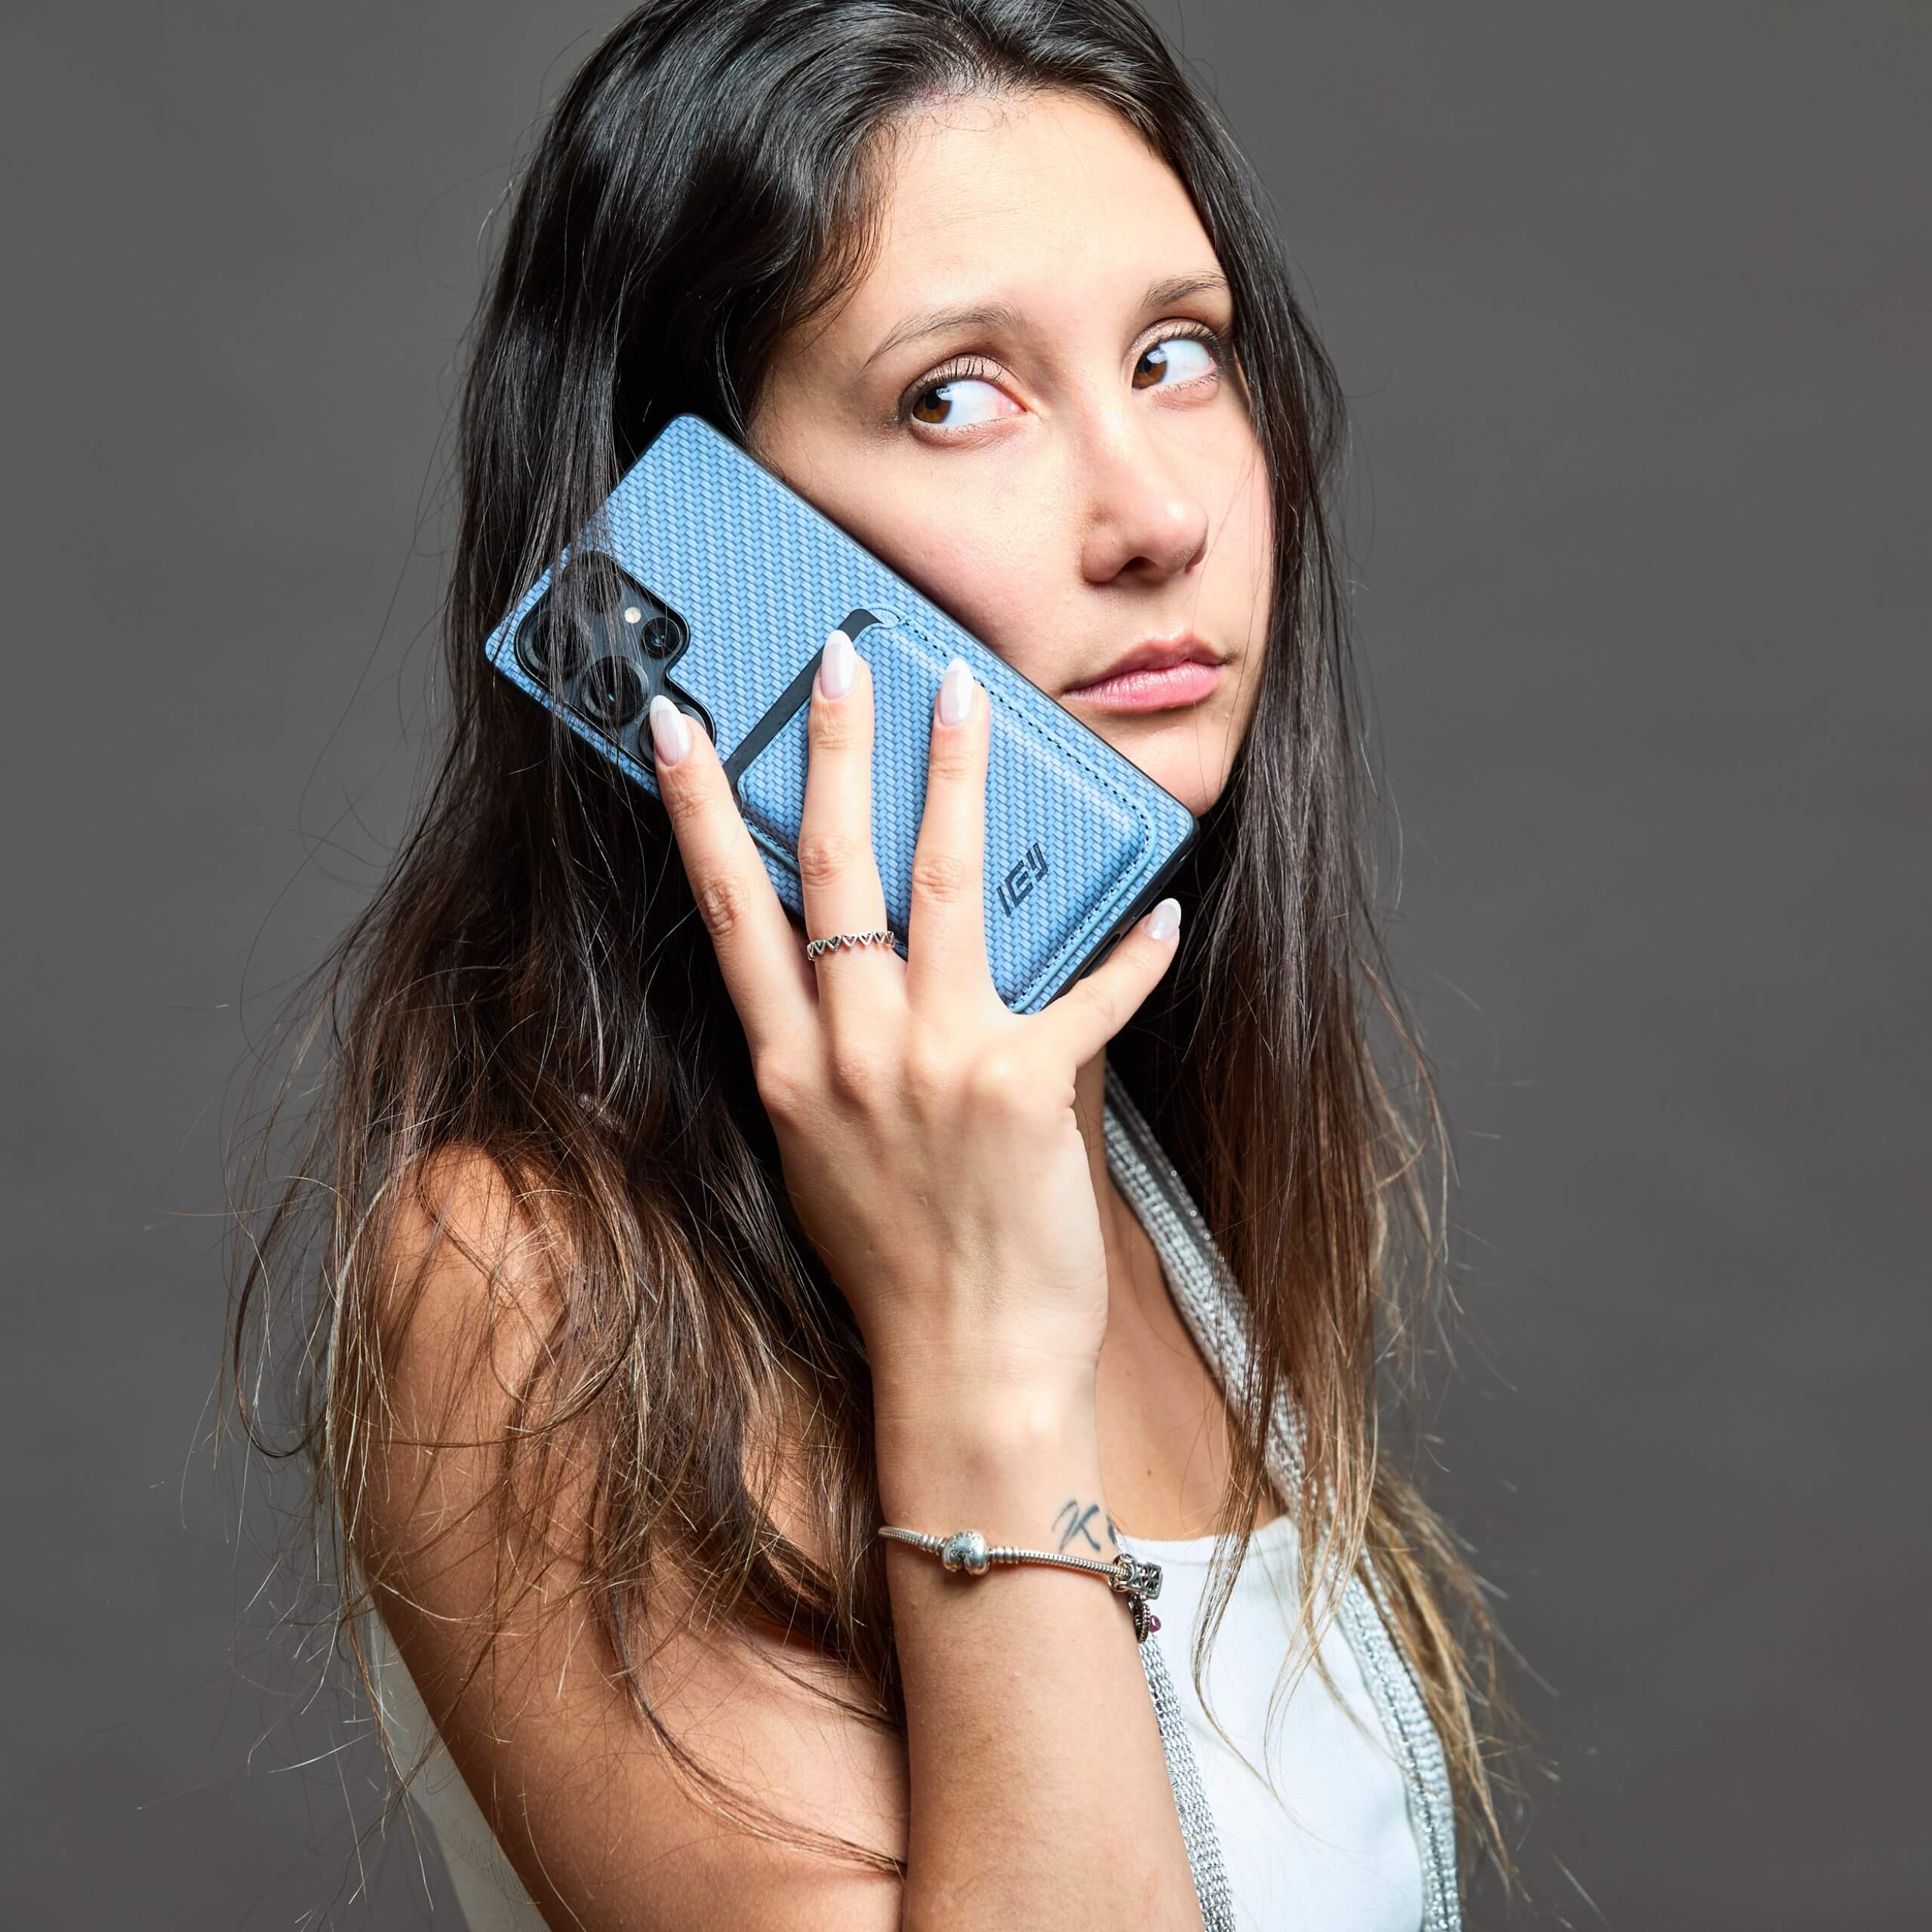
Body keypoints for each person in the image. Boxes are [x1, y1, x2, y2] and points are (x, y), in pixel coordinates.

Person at [226, 2, 1526, 1926]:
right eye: (955, 394)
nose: (1159, 514)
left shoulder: (1136, 1163)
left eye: (1178, 356)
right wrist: (973, 1344)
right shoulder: (527, 1279)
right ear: (692, 523)